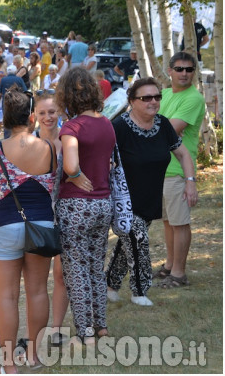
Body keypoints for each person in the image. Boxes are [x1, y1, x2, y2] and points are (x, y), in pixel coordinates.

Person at [0, 90, 57, 373]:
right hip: (41, 224)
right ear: (32, 116)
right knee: (37, 291)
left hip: (3, 223)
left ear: (5, 117)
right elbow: (52, 178)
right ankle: (34, 355)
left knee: (7, 297)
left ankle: (9, 364)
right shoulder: (48, 147)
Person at [106, 77, 197, 306]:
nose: (153, 101)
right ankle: (139, 290)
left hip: (150, 196)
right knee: (137, 238)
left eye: (157, 96)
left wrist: (190, 181)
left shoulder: (162, 125)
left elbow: (183, 154)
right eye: (146, 97)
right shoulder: (118, 128)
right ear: (132, 101)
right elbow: (103, 160)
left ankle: (108, 285)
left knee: (128, 243)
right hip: (123, 199)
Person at [54, 67, 115, 343]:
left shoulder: (72, 127)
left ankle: (86, 333)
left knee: (75, 269)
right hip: (103, 203)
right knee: (95, 267)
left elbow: (70, 164)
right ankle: (100, 325)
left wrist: (76, 177)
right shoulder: (106, 123)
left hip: (76, 207)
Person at [155, 52, 205, 288]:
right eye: (179, 69)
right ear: (170, 71)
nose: (184, 73)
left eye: (189, 69)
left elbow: (166, 130)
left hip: (178, 170)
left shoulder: (193, 98)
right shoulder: (163, 94)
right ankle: (169, 265)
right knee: (168, 221)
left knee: (180, 223)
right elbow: (147, 122)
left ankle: (179, 274)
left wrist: (157, 124)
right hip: (160, 170)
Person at [33, 92, 69, 347]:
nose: (48, 117)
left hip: (65, 212)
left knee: (60, 273)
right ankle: (35, 331)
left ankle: (56, 328)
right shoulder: (28, 143)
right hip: (36, 214)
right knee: (35, 278)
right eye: (42, 112)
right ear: (34, 115)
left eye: (52, 112)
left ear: (61, 113)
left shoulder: (69, 141)